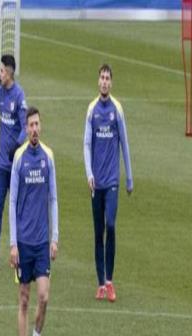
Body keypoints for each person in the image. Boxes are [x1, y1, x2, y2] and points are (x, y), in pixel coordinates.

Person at [9, 107, 58, 336]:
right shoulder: (19, 158)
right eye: (31, 125)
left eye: (37, 124)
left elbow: (53, 199)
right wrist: (12, 243)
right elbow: (12, 202)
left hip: (41, 243)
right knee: (24, 300)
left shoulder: (48, 157)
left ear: (41, 126)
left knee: (44, 297)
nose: (35, 129)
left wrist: (55, 237)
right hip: (23, 243)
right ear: (26, 129)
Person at [83, 64, 133, 302]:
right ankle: (101, 284)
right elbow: (86, 144)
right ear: (98, 81)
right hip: (97, 183)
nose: (104, 82)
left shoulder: (117, 109)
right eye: (101, 78)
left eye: (107, 78)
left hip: (112, 180)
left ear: (111, 83)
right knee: (98, 232)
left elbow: (124, 143)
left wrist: (129, 177)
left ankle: (110, 281)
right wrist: (89, 174)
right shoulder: (92, 110)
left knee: (110, 225)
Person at [0, 54, 28, 270]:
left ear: (9, 72)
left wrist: (17, 146)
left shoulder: (18, 95)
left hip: (16, 164)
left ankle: (18, 252)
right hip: (1, 164)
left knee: (18, 209)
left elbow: (25, 127)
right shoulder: (0, 92)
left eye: (1, 70)